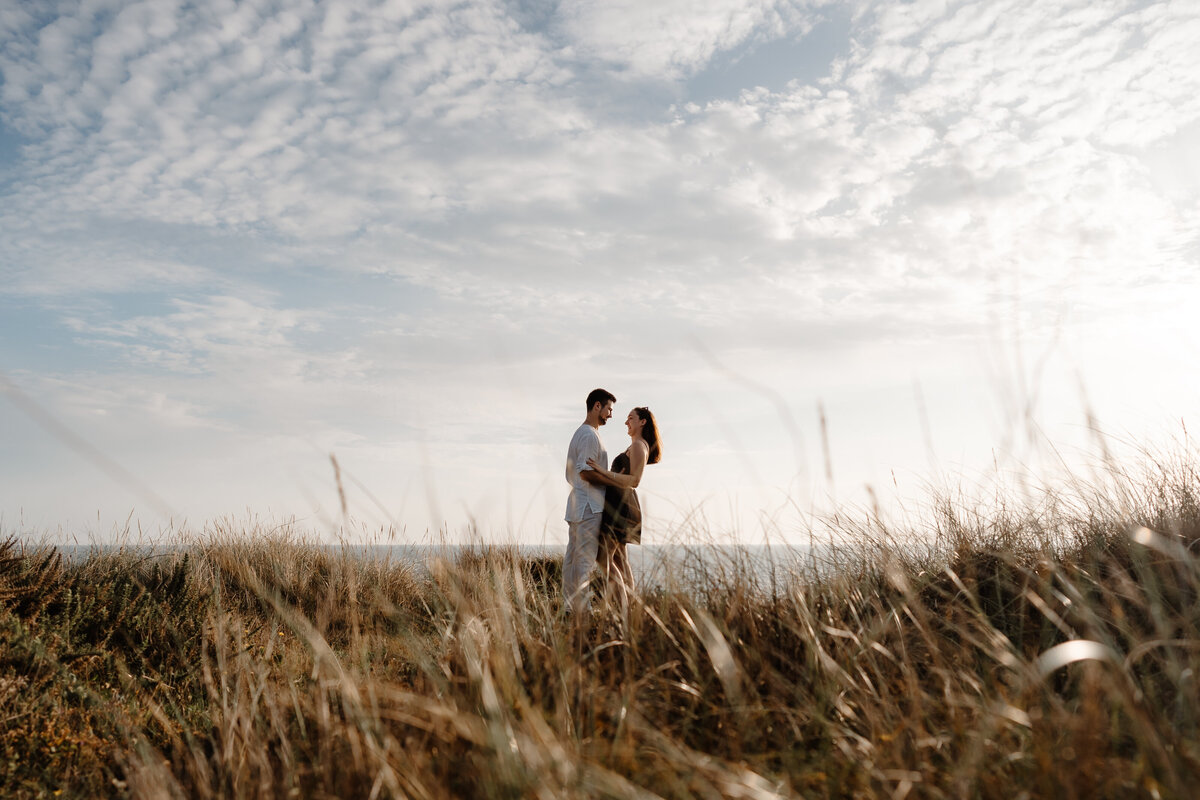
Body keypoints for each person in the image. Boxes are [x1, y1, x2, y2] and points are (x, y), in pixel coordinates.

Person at [586, 406, 662, 612]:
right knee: (620, 559)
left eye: (630, 418)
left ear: (642, 422)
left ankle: (623, 611)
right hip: (623, 504)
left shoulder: (639, 445)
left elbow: (635, 481)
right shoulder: (637, 445)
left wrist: (602, 472)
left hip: (622, 506)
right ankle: (630, 611)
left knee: (603, 557)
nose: (626, 422)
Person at [563, 388, 615, 615]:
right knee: (583, 561)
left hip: (578, 505)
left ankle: (569, 608)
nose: (610, 415)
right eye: (609, 409)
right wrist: (610, 479)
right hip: (588, 507)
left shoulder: (582, 433)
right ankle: (583, 612)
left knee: (573, 559)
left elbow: (573, 473)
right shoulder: (589, 435)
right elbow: (585, 471)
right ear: (597, 406)